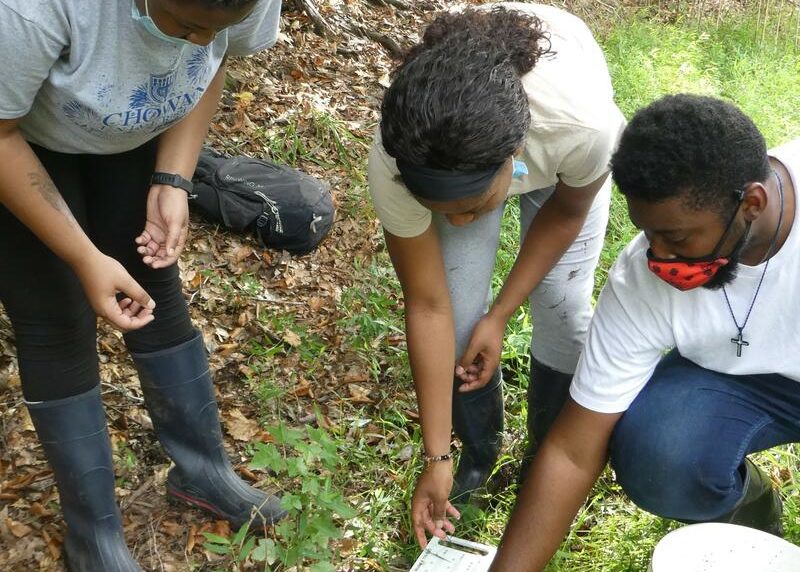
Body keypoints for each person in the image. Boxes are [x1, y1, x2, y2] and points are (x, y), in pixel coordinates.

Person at [0, 1, 285, 569]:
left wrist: (173, 177)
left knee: (154, 287)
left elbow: (212, 60)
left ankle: (203, 472)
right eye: (183, 26)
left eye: (214, 29)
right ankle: (95, 539)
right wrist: (83, 257)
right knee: (56, 323)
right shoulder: (32, 11)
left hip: (123, 136)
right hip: (18, 145)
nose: (196, 42)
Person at [489, 94, 799, 571]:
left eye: (675, 238)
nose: (660, 258)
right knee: (659, 454)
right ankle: (753, 510)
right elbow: (573, 451)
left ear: (751, 203)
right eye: (648, 234)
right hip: (745, 386)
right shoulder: (642, 276)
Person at [367, 3, 626, 545]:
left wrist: (503, 313)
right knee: (459, 321)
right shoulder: (399, 159)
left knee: (561, 306)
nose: (458, 223)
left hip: (559, 163)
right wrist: (436, 455)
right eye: (443, 212)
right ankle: (477, 455)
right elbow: (428, 304)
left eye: (473, 207)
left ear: (514, 157)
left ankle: (546, 455)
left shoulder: (583, 126)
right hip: (469, 156)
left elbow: (567, 211)